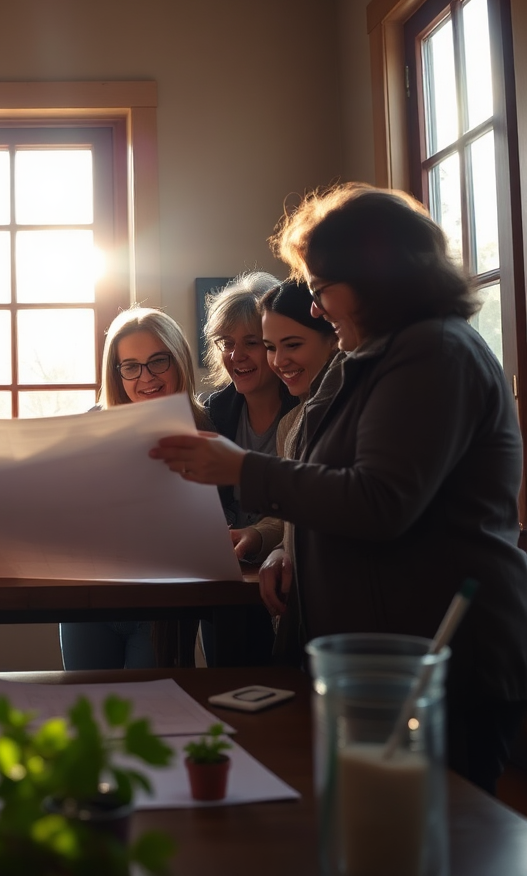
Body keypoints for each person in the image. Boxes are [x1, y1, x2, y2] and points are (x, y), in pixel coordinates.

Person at [152, 183, 527, 793]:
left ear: (375, 278)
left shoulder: (433, 353)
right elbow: (332, 486)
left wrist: (242, 469)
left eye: (323, 287)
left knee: (429, 828)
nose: (317, 306)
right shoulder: (379, 357)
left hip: (439, 656)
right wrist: (290, 549)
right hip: (388, 658)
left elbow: (380, 501)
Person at [59, 306, 207, 670]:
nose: (146, 377)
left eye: (158, 361)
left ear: (178, 359)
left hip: (163, 606)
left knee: (152, 704)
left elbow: (222, 517)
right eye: (131, 367)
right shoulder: (93, 427)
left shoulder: (206, 426)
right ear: (117, 373)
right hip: (88, 599)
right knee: (86, 704)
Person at [200, 272, 298, 665]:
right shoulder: (213, 412)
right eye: (226, 343)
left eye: (251, 343)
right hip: (226, 581)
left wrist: (259, 536)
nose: (235, 355)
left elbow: (303, 499)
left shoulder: (306, 411)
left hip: (286, 577)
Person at [244, 280, 337, 661]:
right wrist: (280, 548)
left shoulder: (355, 411)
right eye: (270, 347)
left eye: (293, 345)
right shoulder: (291, 424)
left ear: (334, 339)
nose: (279, 360)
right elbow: (294, 515)